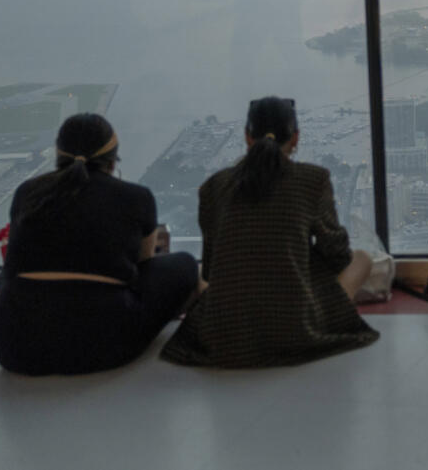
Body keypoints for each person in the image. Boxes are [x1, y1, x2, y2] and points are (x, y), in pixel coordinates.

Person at [161, 97, 379, 368]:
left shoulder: (213, 186)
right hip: (295, 328)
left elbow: (210, 272)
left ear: (247, 137)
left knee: (201, 272)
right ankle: (319, 314)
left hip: (225, 334)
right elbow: (338, 255)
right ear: (296, 137)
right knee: (364, 259)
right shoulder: (313, 179)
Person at [0, 114, 200, 375]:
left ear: (58, 154)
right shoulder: (136, 197)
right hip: (103, 345)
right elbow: (143, 266)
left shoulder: (27, 192)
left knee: (10, 274)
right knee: (185, 264)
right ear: (112, 159)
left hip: (14, 346)